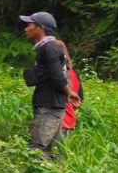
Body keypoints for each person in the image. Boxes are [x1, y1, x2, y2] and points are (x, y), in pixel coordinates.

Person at [21, 12, 81, 158]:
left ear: (40, 28)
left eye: (29, 25)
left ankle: (40, 172)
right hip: (50, 104)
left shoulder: (50, 47)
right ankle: (56, 171)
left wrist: (69, 92)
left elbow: (57, 75)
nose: (26, 29)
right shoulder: (46, 48)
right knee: (52, 150)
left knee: (37, 148)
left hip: (49, 106)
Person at [56, 40, 84, 136]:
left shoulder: (54, 74)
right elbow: (80, 100)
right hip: (70, 123)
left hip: (54, 123)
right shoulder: (74, 73)